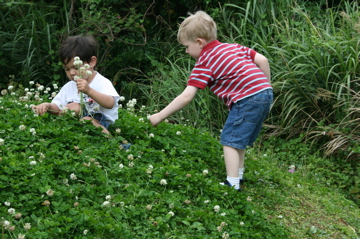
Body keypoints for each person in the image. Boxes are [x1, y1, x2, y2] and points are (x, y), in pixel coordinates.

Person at [149, 11, 273, 191]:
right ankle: (238, 177)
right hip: (264, 92)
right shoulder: (233, 47)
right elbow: (263, 60)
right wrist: (266, 87)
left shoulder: (205, 61)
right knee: (239, 138)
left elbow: (186, 96)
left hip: (247, 98)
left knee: (229, 140)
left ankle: (232, 184)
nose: (186, 51)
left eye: (186, 46)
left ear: (199, 42)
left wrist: (160, 116)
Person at [32, 35, 120, 135]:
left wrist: (89, 91)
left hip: (101, 123)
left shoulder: (101, 82)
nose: (72, 73)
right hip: (77, 123)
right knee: (74, 107)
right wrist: (47, 106)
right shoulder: (69, 86)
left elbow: (110, 103)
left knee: (86, 120)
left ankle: (113, 143)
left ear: (92, 62)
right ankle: (60, 131)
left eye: (76, 67)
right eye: (67, 69)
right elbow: (58, 107)